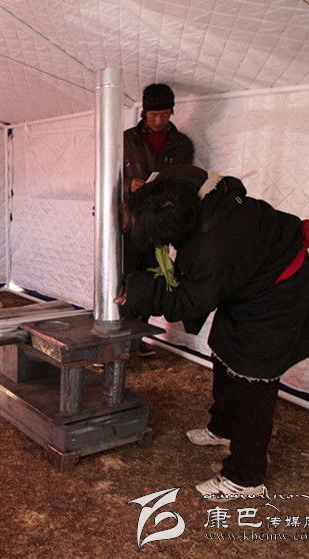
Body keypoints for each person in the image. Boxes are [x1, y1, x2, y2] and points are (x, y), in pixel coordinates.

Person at [116, 165, 309, 498]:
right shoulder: (182, 188)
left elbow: (190, 302)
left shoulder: (214, 248)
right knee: (224, 345)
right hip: (248, 271)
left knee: (253, 375)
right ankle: (223, 427)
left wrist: (139, 293)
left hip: (276, 289)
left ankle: (246, 477)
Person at [123, 83, 195, 356]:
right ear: (144, 112)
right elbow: (108, 176)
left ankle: (136, 338)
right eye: (153, 114)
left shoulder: (182, 144)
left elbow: (185, 181)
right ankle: (118, 337)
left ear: (172, 111)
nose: (158, 120)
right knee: (125, 275)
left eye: (164, 114)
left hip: (160, 223)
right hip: (131, 221)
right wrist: (129, 184)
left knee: (153, 275)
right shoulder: (127, 140)